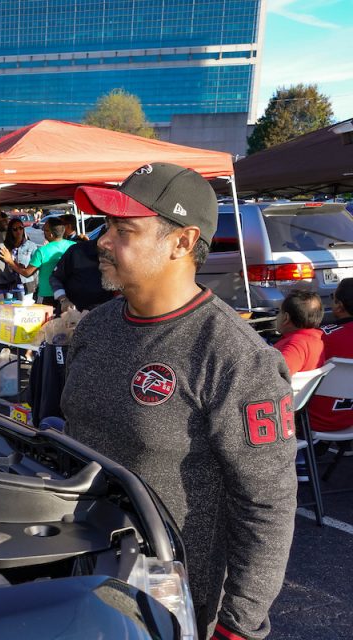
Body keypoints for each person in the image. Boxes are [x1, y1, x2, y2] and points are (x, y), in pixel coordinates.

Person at [60, 162, 296, 640]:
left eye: (123, 229)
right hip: (77, 566)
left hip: (167, 595)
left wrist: (239, 627)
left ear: (183, 242)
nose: (102, 241)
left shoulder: (235, 358)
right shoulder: (96, 327)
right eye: (106, 227)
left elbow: (267, 504)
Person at [308, 277, 353, 431]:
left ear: (339, 306)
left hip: (315, 420)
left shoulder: (321, 336)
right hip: (349, 421)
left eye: (333, 298)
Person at [0, 218, 73, 307]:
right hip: (70, 293)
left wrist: (10, 261)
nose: (43, 232)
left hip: (47, 295)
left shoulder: (42, 251)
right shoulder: (74, 245)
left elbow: (27, 273)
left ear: (51, 234)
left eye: (45, 230)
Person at [49, 235, 115, 312]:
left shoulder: (121, 255)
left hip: (104, 313)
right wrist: (63, 299)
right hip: (72, 313)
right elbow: (55, 277)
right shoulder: (77, 251)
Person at [272, 288, 325, 375]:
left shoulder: (296, 345)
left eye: (279, 312)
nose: (277, 316)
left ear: (286, 318)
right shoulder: (316, 340)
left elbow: (276, 375)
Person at [0, 216, 37, 302]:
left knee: (24, 311)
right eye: (15, 229)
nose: (18, 231)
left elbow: (35, 267)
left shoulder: (31, 245)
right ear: (10, 231)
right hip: (9, 284)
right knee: (8, 310)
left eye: (20, 228)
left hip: (25, 284)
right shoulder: (6, 246)